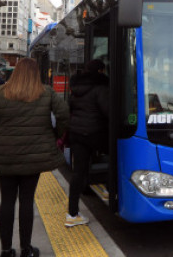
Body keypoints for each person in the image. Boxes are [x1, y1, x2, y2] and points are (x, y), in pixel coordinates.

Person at [0, 58, 69, 257]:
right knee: (27, 200)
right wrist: (54, 136)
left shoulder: (0, 93)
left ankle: (5, 250)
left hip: (5, 154)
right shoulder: (46, 92)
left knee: (7, 201)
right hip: (35, 155)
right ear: (35, 73)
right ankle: (26, 249)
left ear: (16, 72)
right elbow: (64, 114)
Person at [66, 59, 109, 227]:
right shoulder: (100, 88)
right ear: (100, 71)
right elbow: (107, 112)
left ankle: (72, 213)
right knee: (116, 153)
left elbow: (70, 109)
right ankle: (108, 189)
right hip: (94, 133)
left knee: (78, 173)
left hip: (77, 134)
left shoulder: (75, 89)